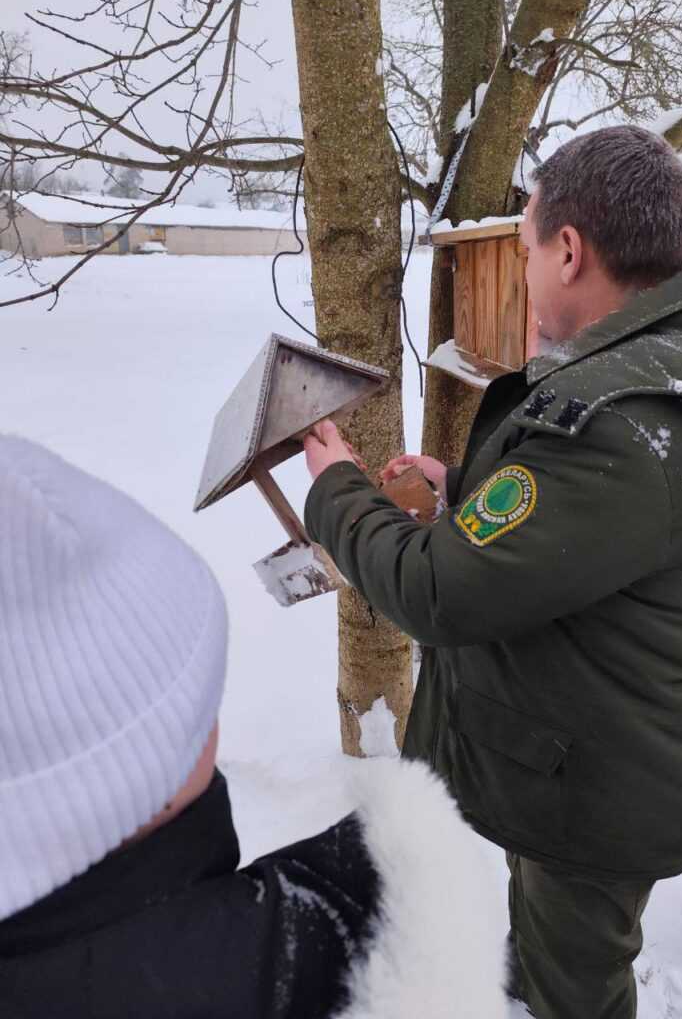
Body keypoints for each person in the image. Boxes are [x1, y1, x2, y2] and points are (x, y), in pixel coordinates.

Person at [302, 125, 682, 1019]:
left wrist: (337, 493)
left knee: (576, 990)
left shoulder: (619, 423)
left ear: (568, 249)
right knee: (560, 948)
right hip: (616, 752)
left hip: (595, 797)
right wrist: (469, 494)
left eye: (522, 249)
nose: (521, 272)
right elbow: (592, 540)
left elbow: (438, 593)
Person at [0, 436, 511, 1019]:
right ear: (161, 745)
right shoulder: (358, 933)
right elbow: (443, 589)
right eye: (201, 698)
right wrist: (340, 487)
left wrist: (453, 481)